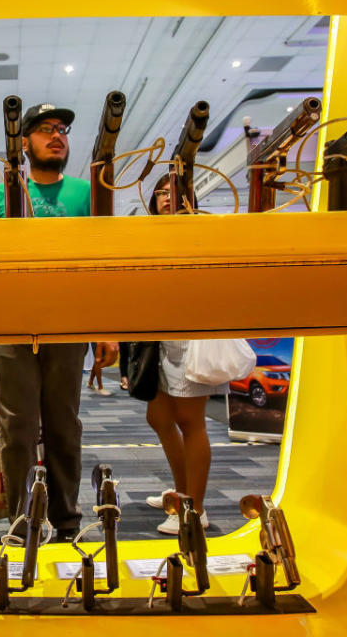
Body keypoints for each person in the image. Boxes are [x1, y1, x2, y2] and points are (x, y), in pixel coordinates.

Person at [0, 103, 118, 541]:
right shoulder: (3, 194)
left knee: (64, 426)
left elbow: (102, 264)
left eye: (62, 129)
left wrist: (105, 327)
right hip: (11, 327)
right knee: (16, 430)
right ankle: (22, 523)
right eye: (45, 129)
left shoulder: (84, 194)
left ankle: (66, 520)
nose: (57, 135)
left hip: (68, 328)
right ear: (24, 143)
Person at [143, 174, 228, 534]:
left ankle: (195, 509)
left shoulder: (202, 230)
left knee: (190, 421)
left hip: (190, 336)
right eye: (160, 193)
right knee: (159, 417)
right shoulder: (150, 235)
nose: (166, 198)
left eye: (174, 192)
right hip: (158, 337)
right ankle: (182, 493)